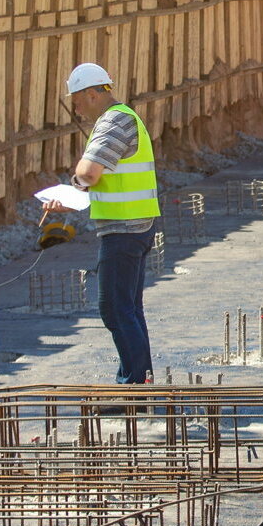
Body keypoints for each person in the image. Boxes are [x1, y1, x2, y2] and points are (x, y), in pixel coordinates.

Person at [46, 62, 161, 384]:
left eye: (77, 98)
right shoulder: (125, 118)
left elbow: (88, 173)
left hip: (124, 230)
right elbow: (104, 180)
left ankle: (134, 385)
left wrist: (77, 183)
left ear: (93, 93)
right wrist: (75, 198)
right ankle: (140, 379)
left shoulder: (114, 121)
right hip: (132, 225)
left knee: (114, 308)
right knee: (128, 308)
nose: (76, 106)